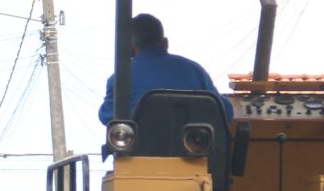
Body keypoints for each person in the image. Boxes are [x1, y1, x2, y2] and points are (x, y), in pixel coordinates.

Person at [96, 13, 236, 125]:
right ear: (165, 43)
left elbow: (106, 117)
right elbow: (226, 113)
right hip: (192, 155)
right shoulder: (195, 71)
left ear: (130, 50)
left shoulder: (119, 78)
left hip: (139, 157)